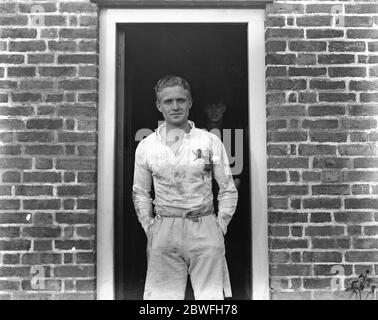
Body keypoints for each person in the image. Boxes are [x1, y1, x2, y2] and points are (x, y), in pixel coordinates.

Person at [132, 75, 238, 300]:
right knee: (163, 302)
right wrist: (149, 227)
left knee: (211, 301)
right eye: (168, 101)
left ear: (190, 103)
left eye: (181, 100)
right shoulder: (146, 146)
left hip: (204, 223)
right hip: (164, 227)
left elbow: (227, 187)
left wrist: (221, 225)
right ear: (158, 106)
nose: (175, 106)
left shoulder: (209, 141)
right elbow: (140, 192)